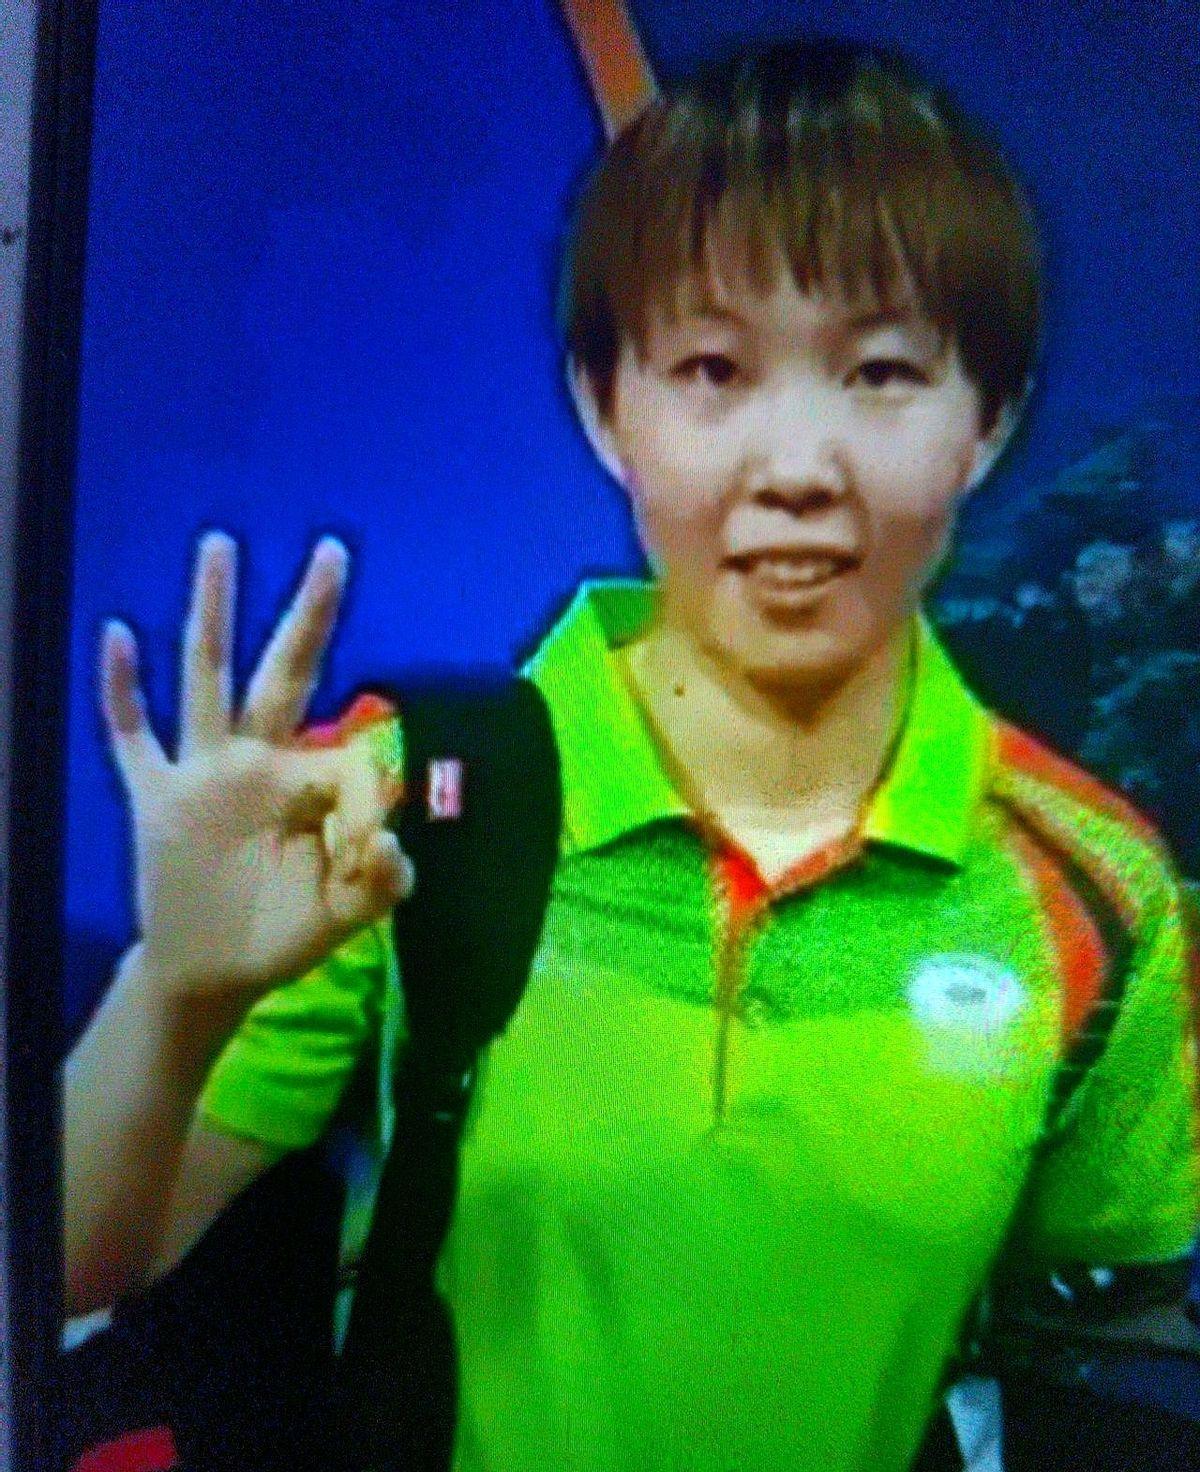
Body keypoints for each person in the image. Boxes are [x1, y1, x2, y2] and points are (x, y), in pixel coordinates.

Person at [64, 39, 1199, 1472]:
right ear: (607, 407)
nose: (798, 470)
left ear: (992, 419)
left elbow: (1112, 1340)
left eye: (882, 373)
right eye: (713, 370)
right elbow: (70, 1267)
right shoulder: (392, 799)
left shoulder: (1096, 886)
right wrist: (169, 993)